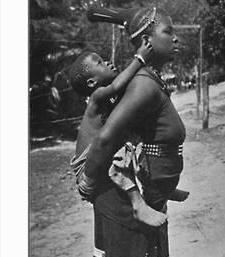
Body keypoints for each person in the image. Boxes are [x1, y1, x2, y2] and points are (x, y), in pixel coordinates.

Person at [79, 6, 187, 257]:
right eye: (169, 32)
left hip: (154, 195)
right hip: (134, 208)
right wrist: (87, 180)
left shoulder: (148, 81)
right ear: (148, 41)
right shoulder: (142, 86)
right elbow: (104, 139)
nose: (176, 39)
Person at [69, 41, 168, 228]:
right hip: (87, 169)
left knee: (133, 138)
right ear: (92, 83)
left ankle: (161, 185)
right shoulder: (97, 98)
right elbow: (117, 85)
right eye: (100, 63)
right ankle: (137, 204)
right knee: (123, 150)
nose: (107, 62)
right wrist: (139, 59)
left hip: (98, 157)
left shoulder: (108, 99)